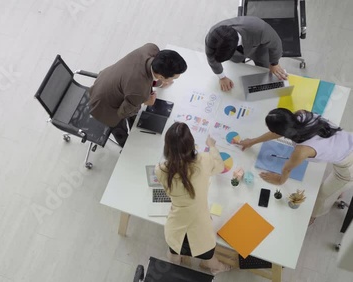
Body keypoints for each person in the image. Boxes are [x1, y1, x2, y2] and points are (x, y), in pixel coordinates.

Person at [237, 108, 353, 224]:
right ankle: (339, 188)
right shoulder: (301, 114)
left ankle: (313, 216)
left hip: (349, 166)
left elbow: (287, 168)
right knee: (337, 184)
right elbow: (276, 133)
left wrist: (280, 180)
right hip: (348, 141)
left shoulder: (302, 150)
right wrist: (252, 141)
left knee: (322, 195)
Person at [155, 122, 231, 275]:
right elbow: (220, 166)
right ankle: (217, 268)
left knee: (173, 253)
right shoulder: (203, 161)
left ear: (167, 147)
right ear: (191, 144)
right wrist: (212, 146)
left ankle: (175, 266)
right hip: (201, 231)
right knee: (209, 257)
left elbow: (169, 191)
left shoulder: (161, 169)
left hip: (175, 231)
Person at [89, 43, 187, 147]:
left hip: (107, 79)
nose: (173, 80)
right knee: (120, 129)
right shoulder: (139, 92)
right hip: (104, 107)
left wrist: (159, 83)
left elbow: (147, 72)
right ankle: (125, 145)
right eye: (173, 78)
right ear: (161, 76)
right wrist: (145, 101)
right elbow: (123, 113)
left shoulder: (151, 48)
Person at [205, 16, 288, 92]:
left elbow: (275, 44)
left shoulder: (259, 29)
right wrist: (222, 77)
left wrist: (274, 63)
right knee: (238, 66)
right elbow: (212, 59)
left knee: (264, 69)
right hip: (235, 54)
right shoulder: (212, 39)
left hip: (259, 48)